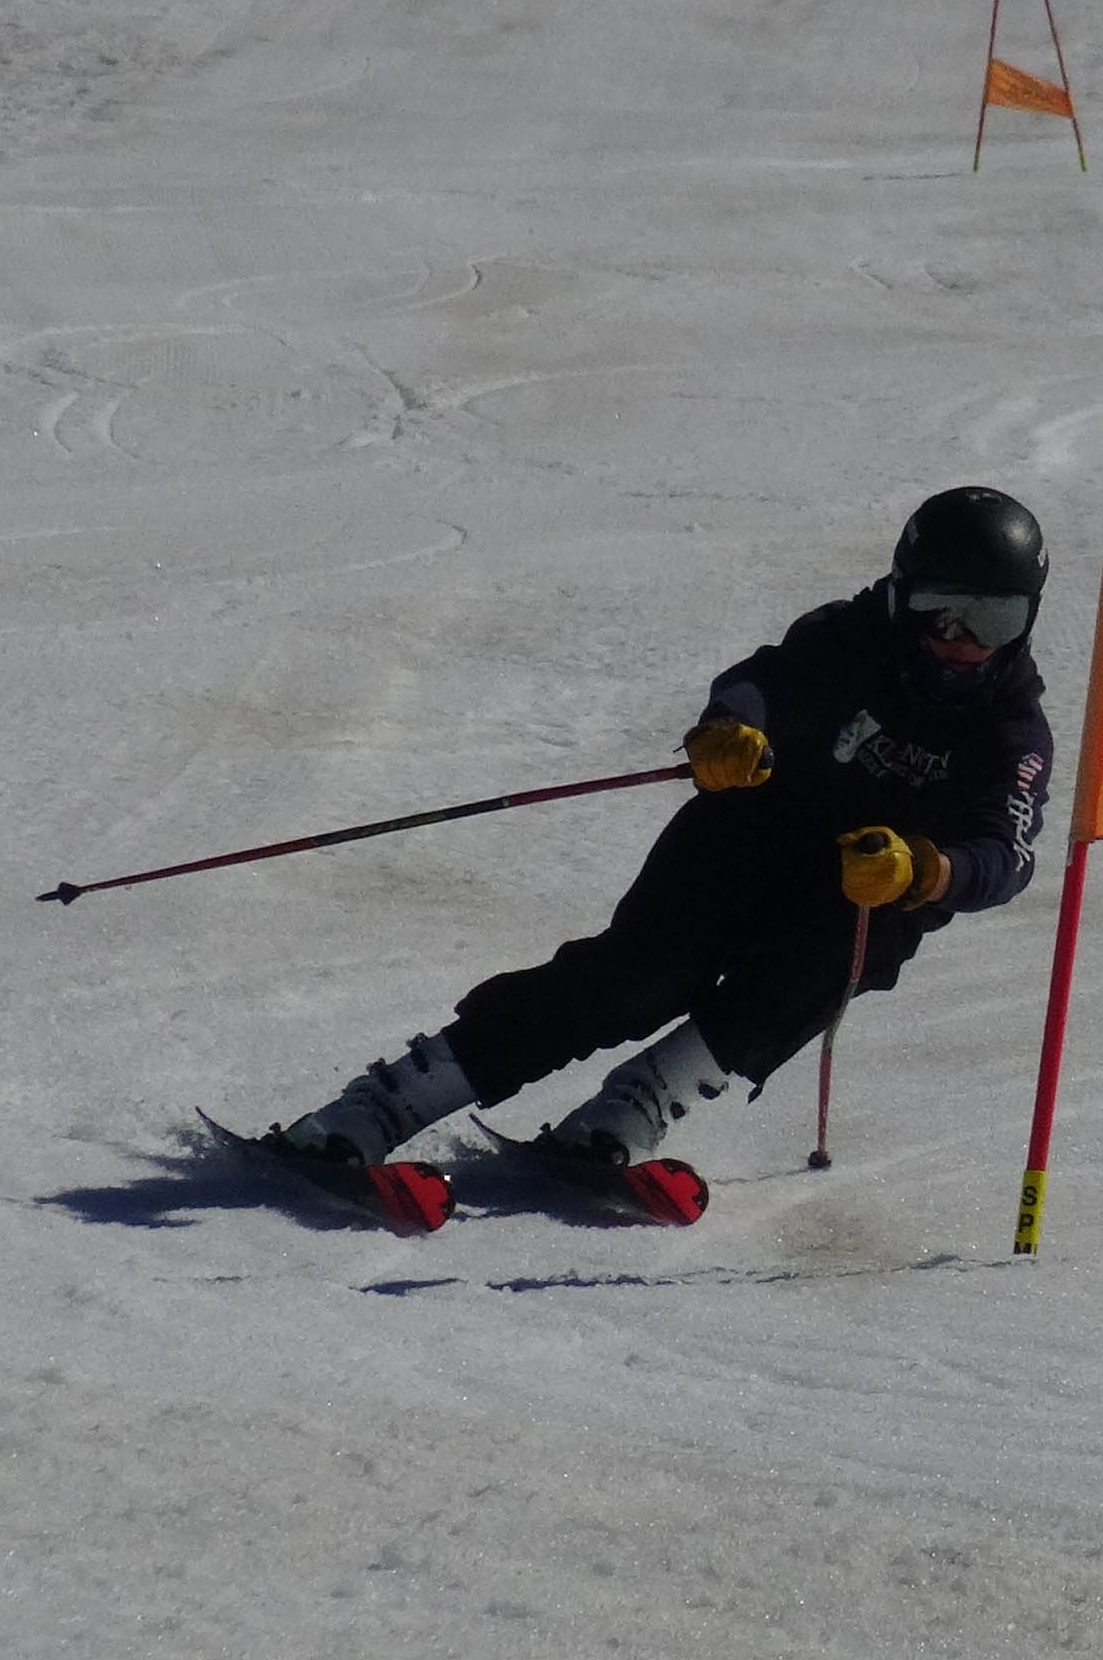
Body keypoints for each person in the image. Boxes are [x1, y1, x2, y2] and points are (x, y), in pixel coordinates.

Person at [274, 485, 1058, 1169]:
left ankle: (630, 1110)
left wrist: (927, 869)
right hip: (745, 844)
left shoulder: (1011, 728)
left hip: (855, 902)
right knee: (632, 981)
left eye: (993, 618)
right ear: (900, 594)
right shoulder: (852, 638)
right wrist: (729, 730)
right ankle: (382, 1103)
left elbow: (1006, 852)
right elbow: (766, 682)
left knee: (792, 990)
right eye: (940, 610)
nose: (963, 641)